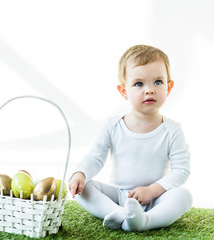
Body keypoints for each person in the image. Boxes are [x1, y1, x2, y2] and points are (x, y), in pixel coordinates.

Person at [68, 44, 192, 232]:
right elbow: (95, 157)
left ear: (169, 87)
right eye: (139, 84)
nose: (149, 90)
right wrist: (80, 173)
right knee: (82, 189)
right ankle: (119, 213)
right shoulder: (113, 125)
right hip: (118, 196)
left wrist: (152, 191)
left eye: (158, 82)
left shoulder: (172, 130)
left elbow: (181, 171)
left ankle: (146, 220)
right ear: (124, 91)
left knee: (183, 196)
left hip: (156, 199)